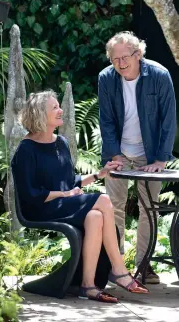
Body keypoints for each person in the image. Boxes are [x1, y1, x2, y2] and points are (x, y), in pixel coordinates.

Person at [11, 90, 149, 304]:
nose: (60, 110)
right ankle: (119, 269)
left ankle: (88, 286)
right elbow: (30, 194)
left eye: (59, 105)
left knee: (95, 217)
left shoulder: (61, 143)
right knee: (103, 200)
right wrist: (65, 194)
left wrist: (99, 174)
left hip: (62, 203)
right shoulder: (26, 150)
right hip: (40, 208)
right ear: (39, 115)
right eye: (54, 107)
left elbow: (69, 181)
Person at [98, 32, 176, 284]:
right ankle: (116, 265)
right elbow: (106, 120)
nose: (120, 64)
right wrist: (115, 154)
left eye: (125, 57)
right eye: (114, 59)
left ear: (138, 54)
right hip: (117, 153)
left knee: (149, 210)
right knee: (113, 208)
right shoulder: (106, 79)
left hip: (150, 155)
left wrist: (160, 160)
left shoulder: (159, 76)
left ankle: (144, 265)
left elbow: (169, 120)